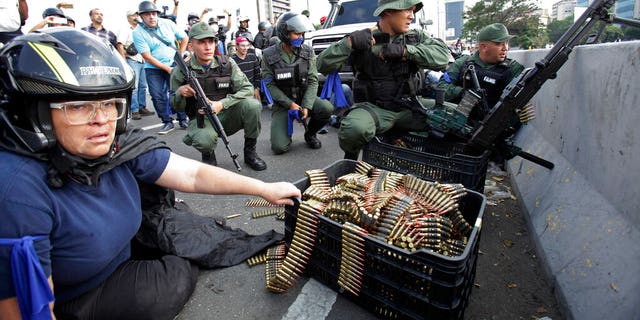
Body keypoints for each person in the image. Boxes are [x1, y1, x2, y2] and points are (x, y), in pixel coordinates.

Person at [0, 28, 300, 320]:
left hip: (121, 253)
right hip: (81, 293)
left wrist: (263, 189)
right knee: (171, 281)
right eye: (78, 107)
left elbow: (191, 175)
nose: (102, 120)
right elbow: (28, 310)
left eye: (109, 104)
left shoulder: (113, 143)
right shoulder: (18, 194)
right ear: (34, 112)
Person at [317, 0, 469, 160]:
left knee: (460, 117)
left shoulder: (415, 37)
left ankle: (446, 162)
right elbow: (322, 65)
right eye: (407, 10)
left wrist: (405, 51)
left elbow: (443, 58)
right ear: (389, 11)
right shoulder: (364, 37)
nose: (412, 16)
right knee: (353, 129)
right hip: (375, 109)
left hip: (412, 106)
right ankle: (350, 161)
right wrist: (348, 43)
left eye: (413, 11)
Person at [170, 22, 267, 171]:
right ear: (191, 46)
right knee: (204, 140)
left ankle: (250, 153)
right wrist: (180, 93)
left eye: (211, 41)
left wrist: (222, 103)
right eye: (201, 42)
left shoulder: (227, 63)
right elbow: (174, 107)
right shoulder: (181, 70)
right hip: (202, 120)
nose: (208, 47)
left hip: (226, 114)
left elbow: (247, 88)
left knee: (253, 105)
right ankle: (208, 155)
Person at [261, 12, 333, 154]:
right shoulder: (268, 55)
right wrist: (290, 105)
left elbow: (313, 81)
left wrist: (306, 105)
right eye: (297, 33)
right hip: (283, 103)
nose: (301, 37)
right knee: (279, 148)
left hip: (303, 96)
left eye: (302, 33)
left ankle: (310, 133)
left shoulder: (308, 51)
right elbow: (270, 85)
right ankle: (283, 131)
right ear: (284, 33)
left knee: (326, 108)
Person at [438, 23, 524, 121]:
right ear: (483, 47)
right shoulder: (462, 63)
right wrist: (463, 92)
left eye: (506, 43)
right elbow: (441, 88)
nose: (505, 48)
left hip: (490, 125)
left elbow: (521, 105)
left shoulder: (513, 69)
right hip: (457, 119)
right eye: (499, 44)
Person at [132, 0, 189, 135]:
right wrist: (167, 68)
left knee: (177, 92)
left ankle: (182, 118)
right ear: (141, 16)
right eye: (147, 14)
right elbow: (147, 57)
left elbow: (185, 37)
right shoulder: (138, 32)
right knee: (157, 95)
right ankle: (167, 122)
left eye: (153, 13)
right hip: (153, 68)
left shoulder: (168, 23)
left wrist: (179, 56)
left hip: (173, 64)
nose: (151, 17)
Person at [118, 9, 154, 120]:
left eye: (137, 14)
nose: (136, 17)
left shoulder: (140, 29)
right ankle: (134, 110)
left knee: (143, 86)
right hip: (132, 60)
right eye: (134, 15)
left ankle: (141, 107)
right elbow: (120, 45)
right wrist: (124, 63)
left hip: (142, 60)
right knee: (135, 87)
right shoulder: (125, 29)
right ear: (128, 17)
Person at [231, 36, 262, 101]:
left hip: (253, 90)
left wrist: (256, 88)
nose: (245, 48)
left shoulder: (252, 57)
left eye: (247, 45)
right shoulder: (231, 60)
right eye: (242, 46)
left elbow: (257, 74)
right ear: (236, 46)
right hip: (239, 93)